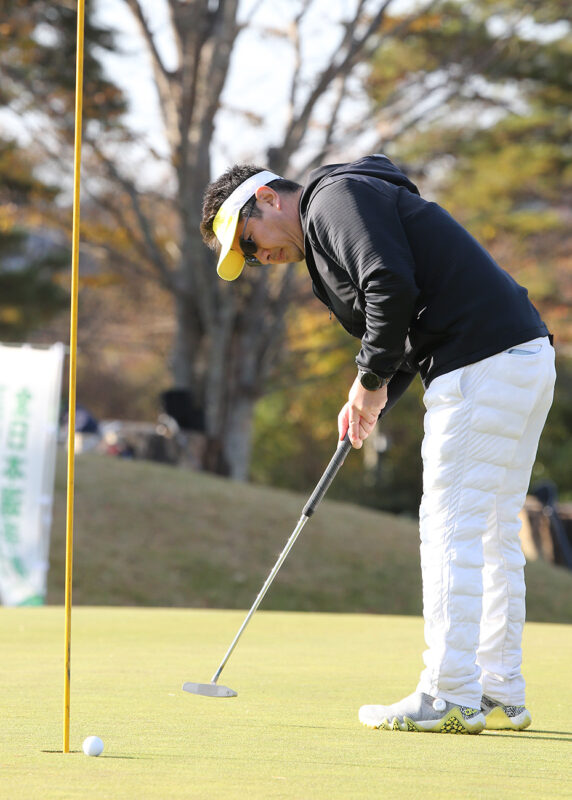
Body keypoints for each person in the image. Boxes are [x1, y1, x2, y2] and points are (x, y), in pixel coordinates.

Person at [200, 154, 556, 734]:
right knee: (491, 533)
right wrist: (372, 399)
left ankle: (449, 693)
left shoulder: (330, 200)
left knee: (450, 531)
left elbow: (389, 284)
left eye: (249, 241)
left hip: (481, 364)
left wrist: (368, 380)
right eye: (249, 257)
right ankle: (498, 689)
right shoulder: (341, 210)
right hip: (520, 356)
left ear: (267, 199)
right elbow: (407, 327)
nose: (259, 258)